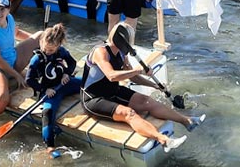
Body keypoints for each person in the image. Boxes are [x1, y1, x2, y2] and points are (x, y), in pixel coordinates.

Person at [81, 22, 201, 153]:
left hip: (113, 91)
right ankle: (164, 141)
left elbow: (132, 77)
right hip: (93, 98)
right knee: (129, 113)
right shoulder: (101, 52)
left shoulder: (122, 54)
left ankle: (187, 122)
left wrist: (155, 85)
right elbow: (112, 76)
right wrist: (138, 70)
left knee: (146, 101)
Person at [0, 0, 42, 116]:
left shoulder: (9, 18)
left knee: (42, 36)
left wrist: (38, 41)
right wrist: (17, 75)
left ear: (8, 9)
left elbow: (16, 33)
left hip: (12, 61)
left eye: (2, 9)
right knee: (1, 98)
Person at [25, 23, 81, 147]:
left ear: (58, 46)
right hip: (50, 92)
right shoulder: (37, 59)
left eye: (51, 50)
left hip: (64, 84)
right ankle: (49, 146)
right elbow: (29, 80)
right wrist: (45, 89)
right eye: (45, 48)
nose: (48, 52)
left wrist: (67, 73)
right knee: (48, 113)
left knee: (88, 83)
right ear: (41, 43)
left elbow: (72, 63)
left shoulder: (61, 51)